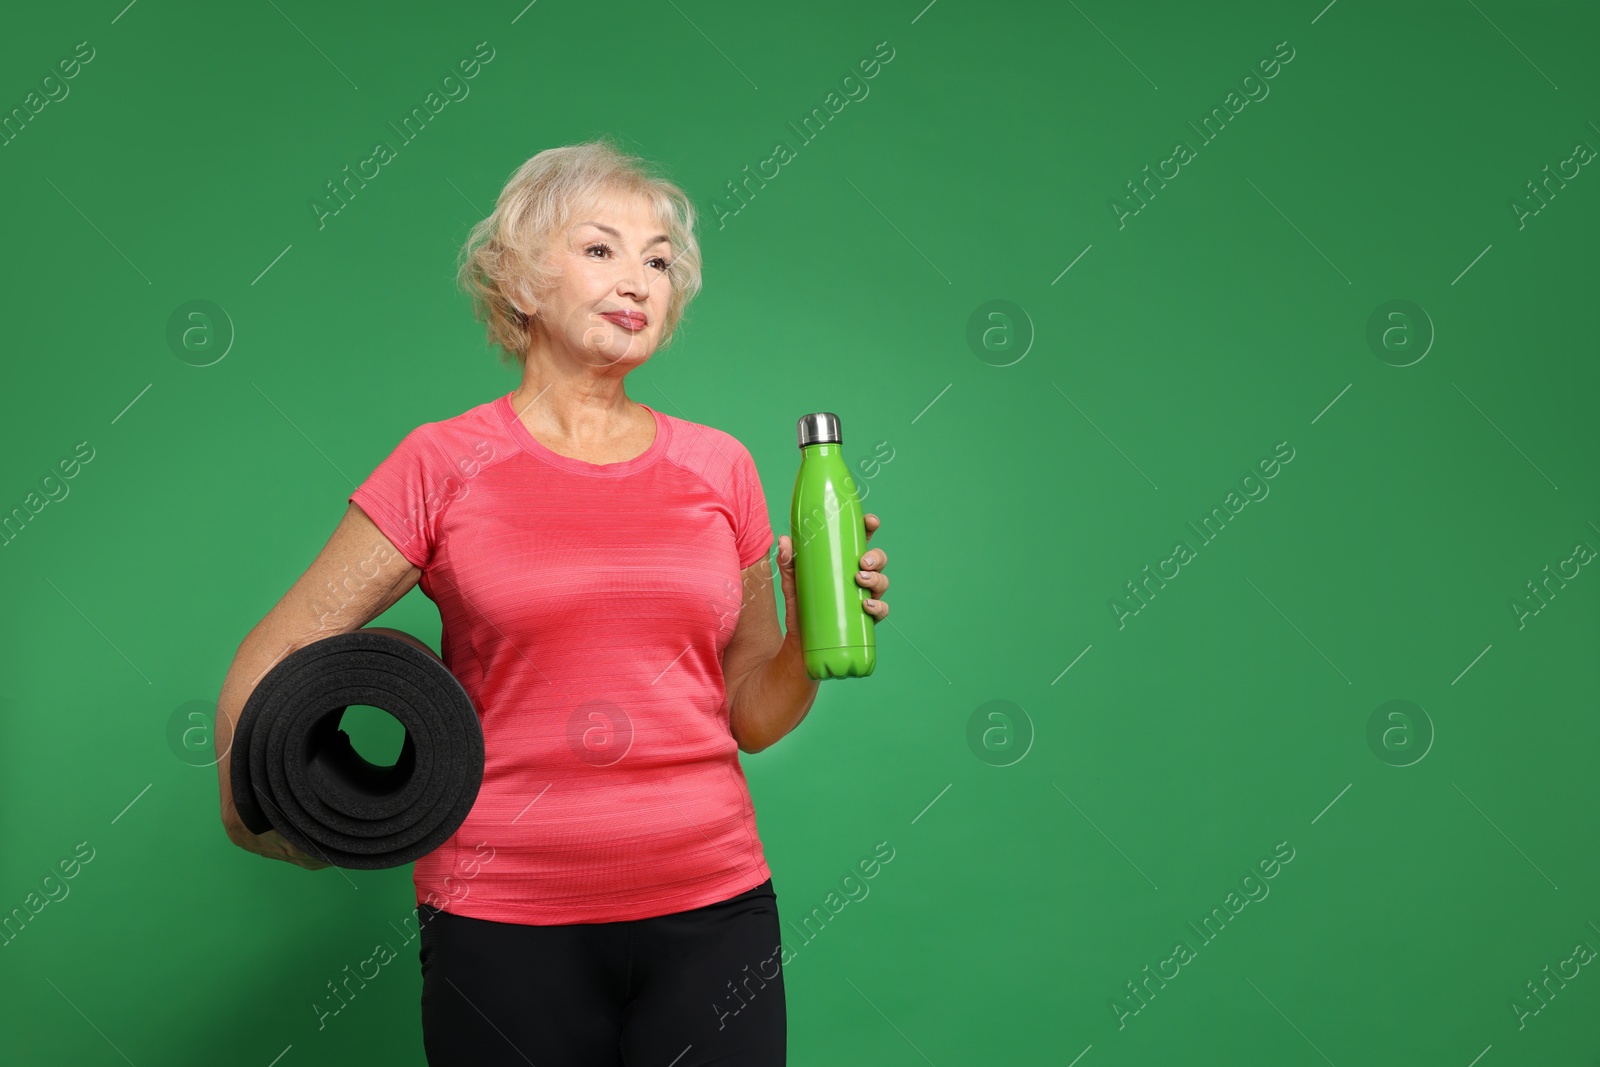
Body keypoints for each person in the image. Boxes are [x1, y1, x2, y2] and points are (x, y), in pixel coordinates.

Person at [213, 138, 893, 1065]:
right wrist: (252, 803)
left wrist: (814, 633)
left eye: (659, 261)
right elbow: (282, 649)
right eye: (601, 249)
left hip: (713, 909)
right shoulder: (442, 462)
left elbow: (752, 711)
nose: (639, 280)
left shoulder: (719, 465)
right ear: (520, 283)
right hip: (502, 917)